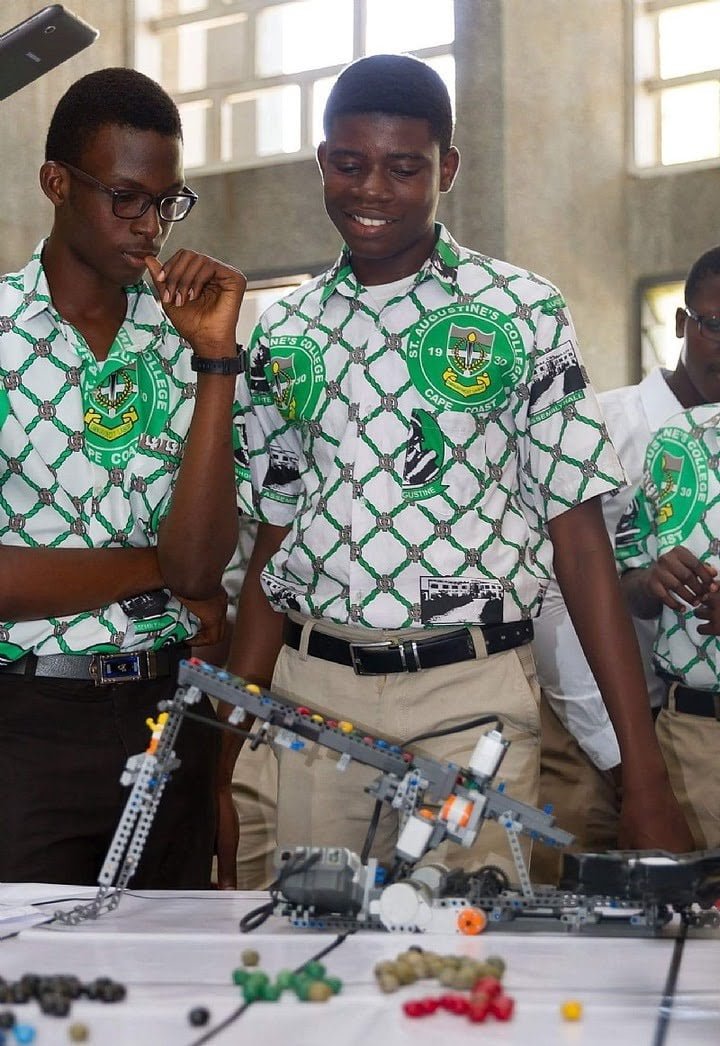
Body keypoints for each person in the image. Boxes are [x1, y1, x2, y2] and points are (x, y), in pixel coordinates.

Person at [216, 53, 692, 887]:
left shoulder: (522, 312)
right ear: (322, 160)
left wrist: (641, 773)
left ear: (448, 168)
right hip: (314, 700)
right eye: (349, 164)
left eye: (404, 168)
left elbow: (580, 544)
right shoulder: (283, 332)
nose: (372, 190)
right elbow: (273, 547)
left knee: (461, 948)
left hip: (470, 698)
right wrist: (217, 762)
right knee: (316, 949)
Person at [0, 67, 247, 887]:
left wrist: (216, 360)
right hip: (26, 726)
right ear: (56, 183)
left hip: (169, 717)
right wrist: (155, 570)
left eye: (169, 202)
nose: (151, 226)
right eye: (126, 198)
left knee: (172, 963)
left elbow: (202, 569)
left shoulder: (184, 339)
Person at [531, 247, 720, 883]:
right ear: (681, 322)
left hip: (695, 727)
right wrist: (625, 759)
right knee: (577, 907)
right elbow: (552, 596)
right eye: (715, 326)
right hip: (590, 732)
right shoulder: (602, 430)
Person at [616, 255, 720, 851]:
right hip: (692, 735)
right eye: (717, 324)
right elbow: (628, 579)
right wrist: (652, 581)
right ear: (684, 323)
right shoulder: (673, 444)